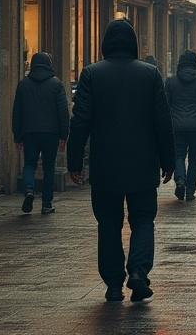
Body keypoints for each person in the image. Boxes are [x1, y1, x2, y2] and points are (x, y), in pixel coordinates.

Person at [67, 19, 174, 302]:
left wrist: (74, 161)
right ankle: (138, 272)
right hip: (143, 163)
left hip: (106, 165)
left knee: (108, 223)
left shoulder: (91, 74)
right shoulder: (150, 74)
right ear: (133, 45)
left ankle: (114, 283)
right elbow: (162, 121)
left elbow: (80, 123)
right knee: (142, 220)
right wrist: (169, 159)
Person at [12, 51, 69, 215]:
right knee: (49, 167)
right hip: (51, 133)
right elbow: (63, 112)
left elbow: (17, 112)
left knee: (29, 164)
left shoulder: (23, 84)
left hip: (29, 132)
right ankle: (46, 203)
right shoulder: (56, 84)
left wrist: (17, 135)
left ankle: (29, 190)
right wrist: (64, 135)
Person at [165, 50, 196, 200]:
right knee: (194, 159)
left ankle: (180, 180)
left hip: (177, 126)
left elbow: (165, 105)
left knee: (178, 155)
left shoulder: (171, 82)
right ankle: (190, 190)